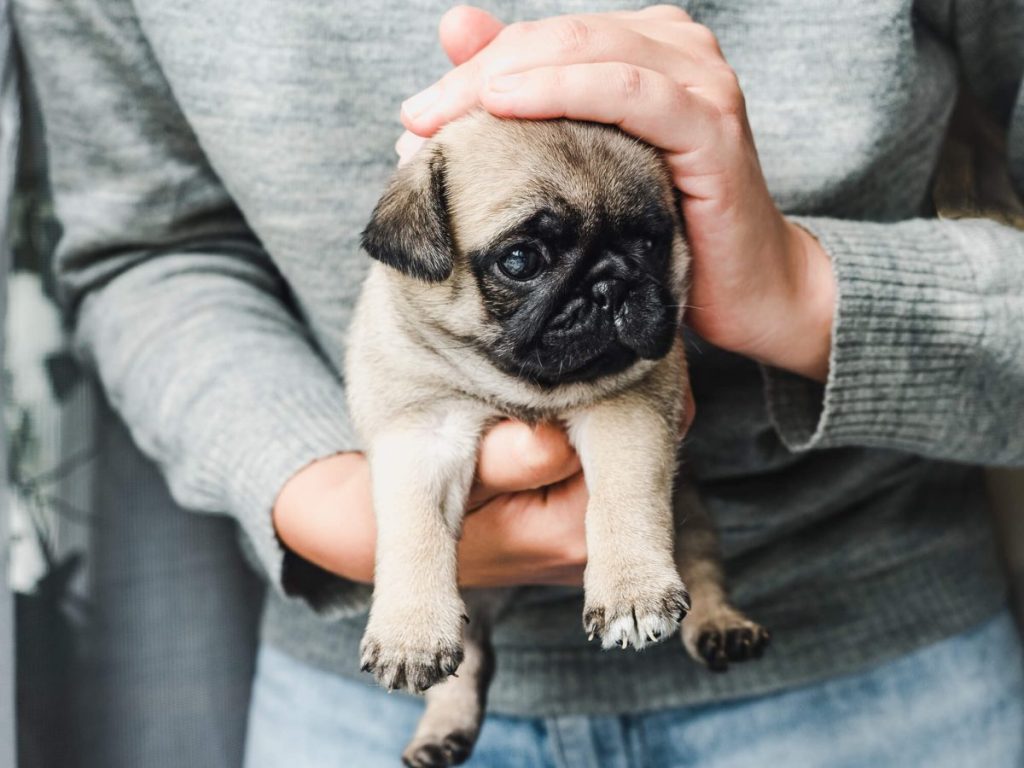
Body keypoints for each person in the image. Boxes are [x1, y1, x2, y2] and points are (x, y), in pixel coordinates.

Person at [12, 1, 1024, 765]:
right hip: (354, 706)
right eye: (526, 261)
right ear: (420, 247)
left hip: (877, 661)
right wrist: (317, 499)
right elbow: (149, 246)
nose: (606, 289)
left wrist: (803, 287)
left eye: (641, 241)